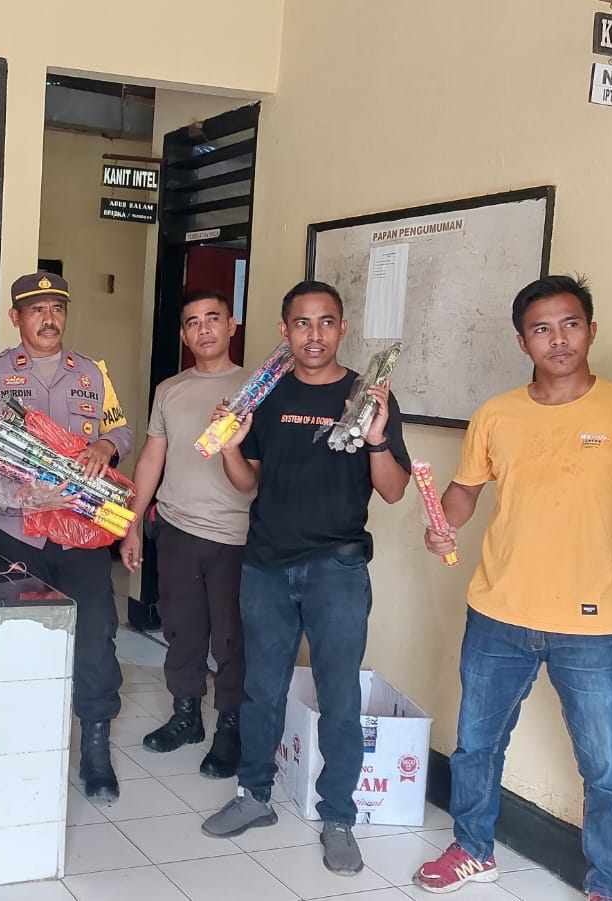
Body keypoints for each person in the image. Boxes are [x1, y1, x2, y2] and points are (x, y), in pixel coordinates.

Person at [412, 276, 612, 901]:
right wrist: (442, 524)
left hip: (592, 624)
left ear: (591, 331)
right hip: (498, 610)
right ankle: (472, 850)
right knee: (476, 747)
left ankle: (611, 887)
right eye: (542, 329)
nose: (558, 339)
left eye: (570, 324)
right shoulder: (496, 415)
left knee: (607, 770)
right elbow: (463, 493)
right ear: (524, 342)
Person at [200, 280, 410, 877]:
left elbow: (394, 491)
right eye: (301, 323)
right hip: (266, 564)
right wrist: (231, 447)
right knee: (260, 688)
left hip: (337, 568)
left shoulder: (368, 397)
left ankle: (338, 816)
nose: (313, 335)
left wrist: (376, 439)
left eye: (325, 322)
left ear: (342, 328)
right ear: (284, 330)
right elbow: (248, 484)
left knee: (339, 695)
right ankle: (254, 796)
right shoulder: (266, 394)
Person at [0, 271, 133, 803]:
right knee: (22, 639)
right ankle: (25, 746)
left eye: (57, 308)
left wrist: (106, 446)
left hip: (83, 536)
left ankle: (96, 749)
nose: (49, 318)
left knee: (96, 638)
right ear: (16, 317)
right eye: (36, 309)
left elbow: (122, 429)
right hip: (18, 535)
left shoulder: (91, 373)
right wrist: (15, 497)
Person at [121, 288, 254, 779]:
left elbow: (257, 473)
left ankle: (230, 727)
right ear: (183, 334)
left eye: (213, 318)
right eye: (193, 322)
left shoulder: (253, 390)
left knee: (232, 638)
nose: (204, 329)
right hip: (176, 529)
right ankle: (186, 716)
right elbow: (151, 459)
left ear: (231, 325)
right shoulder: (170, 389)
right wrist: (132, 524)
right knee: (181, 630)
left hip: (236, 536)